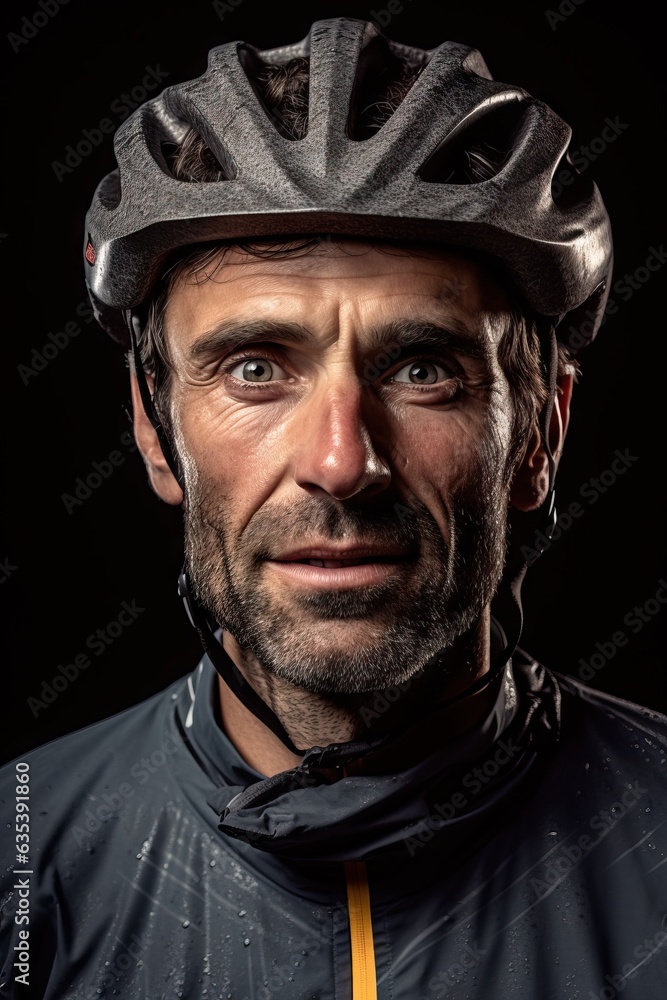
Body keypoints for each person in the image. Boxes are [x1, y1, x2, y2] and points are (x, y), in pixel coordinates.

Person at [2, 17, 666, 999]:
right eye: (256, 367)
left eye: (424, 367)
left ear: (540, 436)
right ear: (152, 427)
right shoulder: (21, 865)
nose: (340, 461)